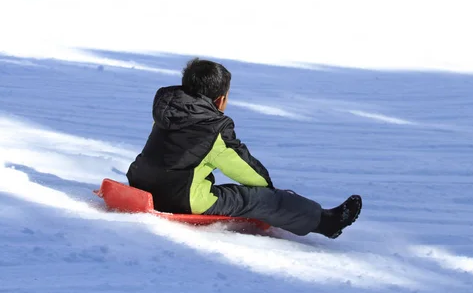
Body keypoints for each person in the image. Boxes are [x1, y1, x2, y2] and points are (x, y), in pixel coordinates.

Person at [126, 57, 361, 238]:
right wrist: (266, 188)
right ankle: (326, 222)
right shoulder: (212, 127)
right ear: (220, 100)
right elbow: (241, 166)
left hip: (141, 182)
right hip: (178, 198)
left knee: (208, 183)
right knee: (259, 197)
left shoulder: (169, 111)